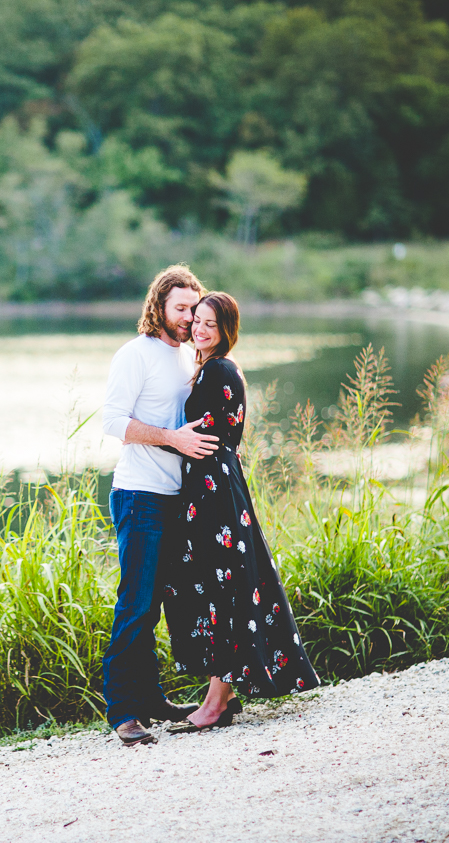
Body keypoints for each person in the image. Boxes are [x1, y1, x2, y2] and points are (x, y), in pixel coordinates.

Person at [163, 292, 320, 733]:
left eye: (210, 323)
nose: (200, 329)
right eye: (197, 320)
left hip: (216, 494)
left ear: (226, 329)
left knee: (223, 591)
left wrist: (165, 436)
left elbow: (216, 433)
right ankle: (221, 697)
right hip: (208, 489)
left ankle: (215, 703)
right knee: (221, 588)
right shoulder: (205, 369)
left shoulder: (220, 369)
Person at [100, 264, 220, 746]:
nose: (190, 317)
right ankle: (123, 712)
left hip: (178, 499)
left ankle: (152, 699)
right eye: (181, 308)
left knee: (162, 604)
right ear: (160, 307)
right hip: (140, 495)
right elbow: (113, 421)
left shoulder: (189, 358)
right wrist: (170, 438)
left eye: (195, 307)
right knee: (136, 603)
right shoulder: (137, 354)